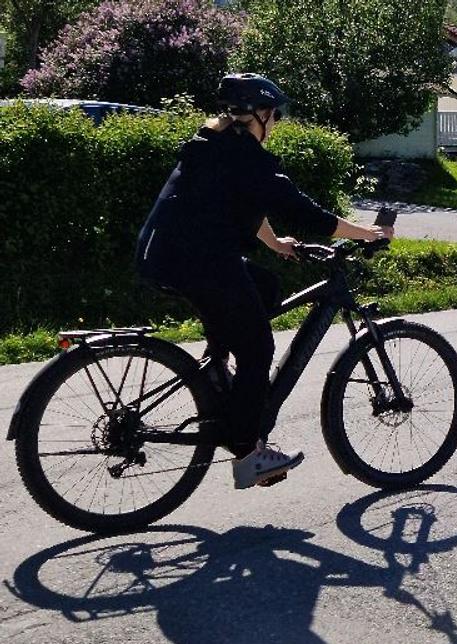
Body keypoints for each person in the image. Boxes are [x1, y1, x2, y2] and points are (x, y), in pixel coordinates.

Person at [136, 73, 392, 489]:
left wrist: (274, 243)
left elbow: (241, 204)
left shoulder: (213, 144)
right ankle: (249, 452)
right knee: (258, 347)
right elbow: (303, 211)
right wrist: (369, 232)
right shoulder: (246, 157)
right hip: (197, 261)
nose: (276, 124)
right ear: (260, 115)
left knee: (264, 288)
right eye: (274, 116)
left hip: (163, 254)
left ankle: (221, 376)